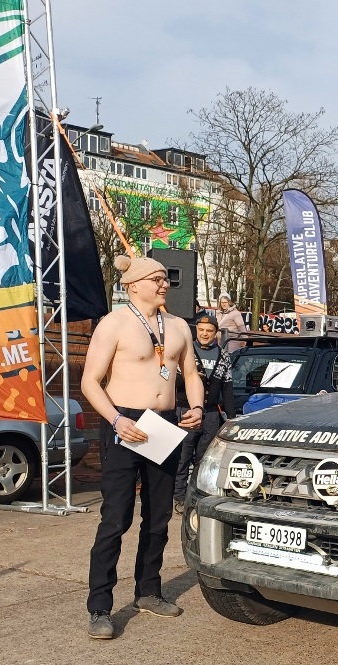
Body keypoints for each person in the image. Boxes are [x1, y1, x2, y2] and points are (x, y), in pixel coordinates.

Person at [80, 255, 205, 641]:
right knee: (116, 518)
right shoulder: (114, 323)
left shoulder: (178, 326)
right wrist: (116, 420)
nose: (164, 284)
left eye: (165, 278)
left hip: (163, 424)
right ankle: (100, 606)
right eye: (156, 278)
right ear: (133, 285)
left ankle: (148, 591)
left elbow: (191, 374)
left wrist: (197, 407)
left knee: (158, 516)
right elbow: (89, 381)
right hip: (125, 423)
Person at [173, 314, 233, 513]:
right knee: (183, 456)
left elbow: (228, 388)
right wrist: (188, 378)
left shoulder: (223, 355)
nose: (205, 334)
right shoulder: (186, 350)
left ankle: (197, 495)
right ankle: (179, 496)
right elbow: (169, 379)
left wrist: (231, 417)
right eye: (201, 330)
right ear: (196, 330)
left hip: (211, 414)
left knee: (204, 458)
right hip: (187, 411)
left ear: (216, 333)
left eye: (209, 331)